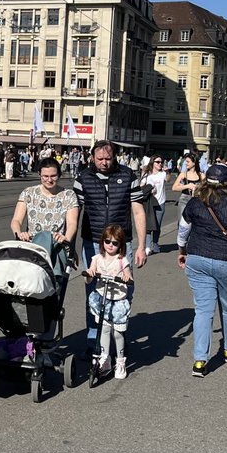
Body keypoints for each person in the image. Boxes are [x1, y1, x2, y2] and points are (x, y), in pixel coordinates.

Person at [176, 163, 227, 378]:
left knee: (203, 310)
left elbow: (183, 230)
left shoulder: (195, 202)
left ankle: (199, 362)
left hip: (198, 259)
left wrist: (182, 250)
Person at [73, 140, 147, 347]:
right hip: (92, 242)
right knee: (93, 293)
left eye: (108, 158)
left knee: (123, 291)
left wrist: (142, 246)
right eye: (99, 159)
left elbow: (138, 210)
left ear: (114, 157)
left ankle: (118, 337)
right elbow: (74, 213)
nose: (104, 163)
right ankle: (94, 340)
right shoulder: (83, 178)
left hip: (122, 244)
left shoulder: (128, 175)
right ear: (92, 158)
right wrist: (70, 245)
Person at [9, 156, 79, 265]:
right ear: (39, 175)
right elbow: (16, 220)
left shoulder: (69, 195)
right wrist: (19, 234)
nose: (49, 180)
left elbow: (72, 223)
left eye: (53, 176)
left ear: (59, 175)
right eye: (45, 176)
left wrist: (66, 239)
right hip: (32, 248)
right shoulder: (28, 193)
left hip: (57, 248)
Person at [85, 225, 134, 380]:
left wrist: (127, 277)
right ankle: (105, 358)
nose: (110, 245)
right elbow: (88, 278)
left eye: (115, 243)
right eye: (107, 242)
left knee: (118, 332)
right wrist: (90, 273)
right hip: (103, 298)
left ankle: (120, 361)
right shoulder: (97, 259)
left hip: (118, 301)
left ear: (120, 245)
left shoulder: (121, 260)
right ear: (102, 242)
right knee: (104, 329)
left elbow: (129, 276)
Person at [141, 155, 167, 254]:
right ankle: (147, 247)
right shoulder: (147, 174)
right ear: (153, 163)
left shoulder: (163, 174)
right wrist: (149, 188)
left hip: (161, 202)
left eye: (161, 162)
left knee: (157, 225)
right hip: (149, 203)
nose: (160, 164)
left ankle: (155, 243)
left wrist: (167, 172)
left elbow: (168, 180)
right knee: (148, 225)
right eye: (158, 162)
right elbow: (141, 187)